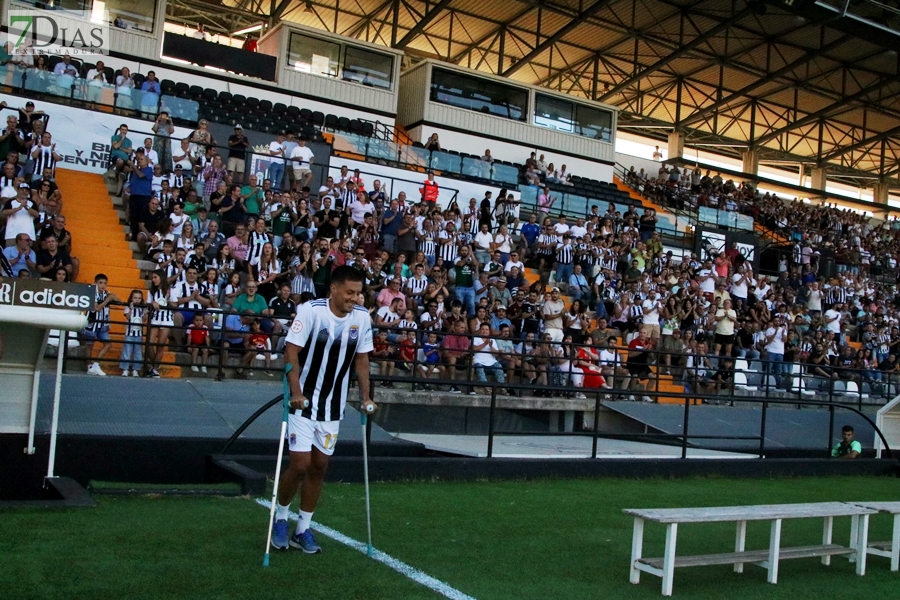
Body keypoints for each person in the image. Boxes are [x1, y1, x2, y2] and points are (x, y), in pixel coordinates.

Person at [271, 266, 376, 553]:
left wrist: (365, 397)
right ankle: (280, 518)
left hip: (333, 407)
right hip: (303, 403)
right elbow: (291, 350)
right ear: (333, 288)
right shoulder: (311, 311)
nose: (354, 298)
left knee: (319, 466)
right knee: (300, 463)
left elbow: (362, 361)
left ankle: (302, 528)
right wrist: (295, 392)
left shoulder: (362, 318)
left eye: (358, 293)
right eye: (349, 292)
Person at [83, 274, 119, 376]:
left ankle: (96, 365)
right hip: (92, 323)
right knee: (89, 345)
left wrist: (114, 297)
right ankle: (89, 366)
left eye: (105, 283)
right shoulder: (92, 292)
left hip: (103, 323)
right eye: (100, 283)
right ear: (96, 283)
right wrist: (108, 300)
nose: (103, 285)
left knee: (108, 344)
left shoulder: (106, 293)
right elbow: (97, 308)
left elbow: (117, 300)